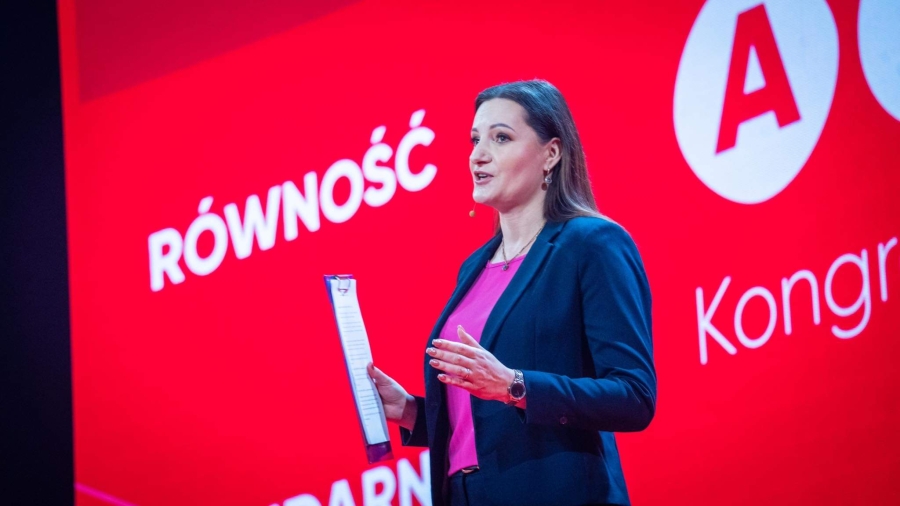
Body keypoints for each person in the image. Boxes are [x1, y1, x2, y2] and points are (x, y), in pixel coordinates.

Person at [367, 79, 656, 506]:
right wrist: (410, 410)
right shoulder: (474, 267)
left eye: (500, 138)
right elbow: (485, 426)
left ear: (551, 154)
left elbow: (634, 396)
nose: (478, 155)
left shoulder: (591, 244)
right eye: (475, 139)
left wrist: (514, 385)